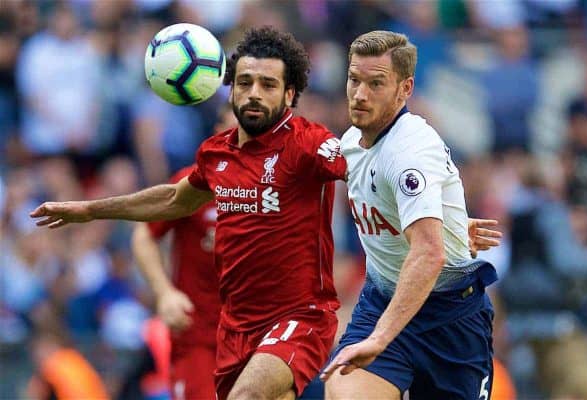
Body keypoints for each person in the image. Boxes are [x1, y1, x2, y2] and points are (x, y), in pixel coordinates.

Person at [31, 27, 500, 400]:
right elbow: (175, 201)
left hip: (302, 317)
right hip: (234, 328)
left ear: (290, 94)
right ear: (230, 88)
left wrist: (440, 222)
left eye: (268, 85)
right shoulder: (215, 155)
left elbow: (373, 170)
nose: (254, 94)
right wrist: (90, 210)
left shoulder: (310, 145)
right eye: (245, 82)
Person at [320, 31, 499, 400]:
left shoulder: (410, 152)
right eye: (354, 80)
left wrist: (381, 338)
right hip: (382, 303)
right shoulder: (352, 142)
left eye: (376, 84)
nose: (360, 94)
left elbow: (429, 254)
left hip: (452, 321)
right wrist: (450, 225)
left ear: (405, 89)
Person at [130, 105, 236, 400]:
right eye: (233, 131)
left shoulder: (273, 193)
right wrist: (163, 292)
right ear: (218, 134)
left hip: (255, 338)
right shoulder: (193, 183)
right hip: (198, 336)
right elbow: (144, 234)